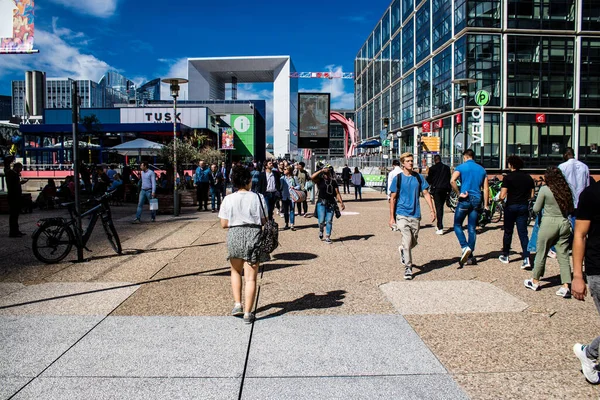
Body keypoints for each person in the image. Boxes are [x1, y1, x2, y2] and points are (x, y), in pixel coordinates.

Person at [218, 165, 269, 325]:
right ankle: (248, 313)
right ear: (248, 181)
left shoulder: (228, 199)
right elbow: (264, 220)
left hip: (234, 235)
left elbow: (224, 224)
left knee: (235, 271)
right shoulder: (258, 198)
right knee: (251, 278)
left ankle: (237, 304)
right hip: (253, 235)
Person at [524, 167, 574, 297]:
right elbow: (570, 208)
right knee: (563, 255)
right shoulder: (565, 190)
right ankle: (566, 285)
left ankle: (535, 280)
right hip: (564, 223)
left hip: (548, 222)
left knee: (541, 252)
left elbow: (536, 208)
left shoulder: (545, 190)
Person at [388, 152, 436, 280]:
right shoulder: (398, 178)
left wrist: (432, 210)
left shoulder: (419, 178)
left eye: (411, 161)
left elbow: (426, 193)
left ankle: (404, 250)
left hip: (415, 214)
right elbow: (392, 198)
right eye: (408, 161)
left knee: (413, 241)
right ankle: (408, 268)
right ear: (403, 163)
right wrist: (392, 217)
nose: (411, 163)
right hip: (402, 213)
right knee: (407, 239)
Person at [572, 180, 600, 384]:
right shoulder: (591, 194)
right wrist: (577, 276)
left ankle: (589, 353)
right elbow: (580, 235)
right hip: (598, 268)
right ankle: (589, 354)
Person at [451, 149, 489, 267]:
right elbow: (486, 188)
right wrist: (486, 205)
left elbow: (452, 180)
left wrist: (458, 193)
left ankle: (464, 247)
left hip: (465, 198)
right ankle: (470, 256)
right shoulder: (481, 169)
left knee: (457, 225)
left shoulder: (461, 167)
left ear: (465, 157)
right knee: (472, 227)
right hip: (477, 198)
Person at [498, 155, 535, 267]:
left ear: (511, 165)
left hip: (511, 206)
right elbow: (532, 195)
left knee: (508, 231)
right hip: (523, 206)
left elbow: (502, 195)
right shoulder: (528, 177)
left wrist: (499, 199)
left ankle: (506, 255)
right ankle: (526, 257)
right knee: (523, 233)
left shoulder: (508, 178)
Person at [311, 165, 345, 244]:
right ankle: (321, 230)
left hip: (331, 203)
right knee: (321, 221)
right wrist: (321, 170)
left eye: (328, 171)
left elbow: (337, 193)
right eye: (326, 171)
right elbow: (312, 177)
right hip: (321, 202)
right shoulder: (320, 180)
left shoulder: (333, 181)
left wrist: (341, 202)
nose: (327, 173)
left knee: (329, 220)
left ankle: (327, 236)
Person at [426, 155, 451, 235]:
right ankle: (439, 224)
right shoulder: (447, 168)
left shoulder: (432, 168)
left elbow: (429, 180)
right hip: (445, 189)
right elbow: (449, 179)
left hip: (436, 189)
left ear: (434, 160)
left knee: (438, 207)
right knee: (441, 207)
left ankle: (440, 227)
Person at [4, 157, 27, 237]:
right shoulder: (11, 174)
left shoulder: (13, 174)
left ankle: (16, 230)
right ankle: (13, 232)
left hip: (15, 197)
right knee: (13, 215)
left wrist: (20, 182)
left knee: (15, 215)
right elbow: (13, 186)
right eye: (20, 168)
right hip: (13, 197)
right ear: (17, 168)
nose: (21, 170)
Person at [280, 165, 300, 230]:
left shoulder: (294, 178)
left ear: (289, 170)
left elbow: (298, 186)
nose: (284, 170)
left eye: (285, 169)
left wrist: (294, 187)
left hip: (292, 196)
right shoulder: (282, 178)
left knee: (292, 210)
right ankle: (286, 223)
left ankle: (292, 224)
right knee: (286, 211)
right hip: (284, 196)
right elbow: (280, 187)